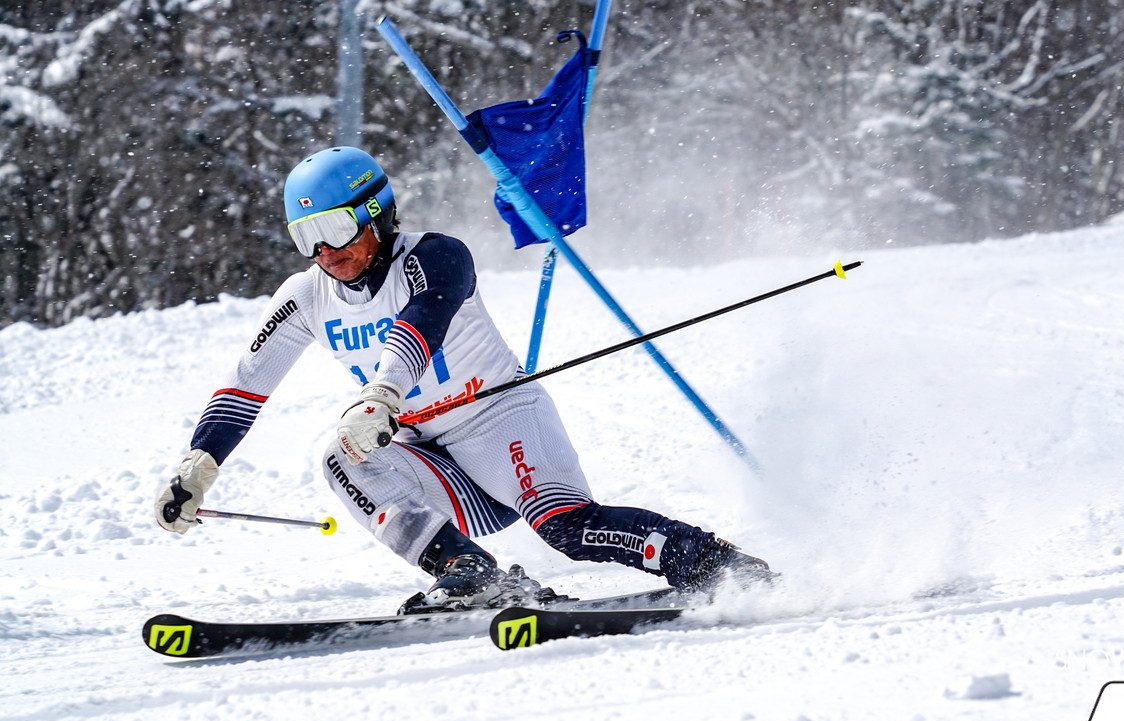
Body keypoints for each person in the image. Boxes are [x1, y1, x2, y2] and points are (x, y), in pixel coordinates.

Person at [155, 146, 770, 612]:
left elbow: (421, 323)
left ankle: (713, 564)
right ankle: (473, 573)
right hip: (429, 455)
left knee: (569, 530)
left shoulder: (435, 256)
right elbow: (245, 385)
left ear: (375, 213)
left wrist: (380, 396)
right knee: (341, 458)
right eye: (304, 238)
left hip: (500, 423)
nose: (324, 253)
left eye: (335, 230)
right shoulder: (306, 296)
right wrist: (197, 467)